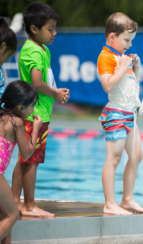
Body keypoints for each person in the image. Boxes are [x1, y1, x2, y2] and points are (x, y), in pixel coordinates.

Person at [12, 2, 69, 217]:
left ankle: (15, 201)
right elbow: (36, 82)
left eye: (55, 28)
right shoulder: (34, 52)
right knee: (32, 160)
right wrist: (55, 93)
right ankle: (29, 206)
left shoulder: (39, 49)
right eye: (50, 29)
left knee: (24, 158)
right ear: (34, 29)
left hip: (35, 111)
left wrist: (54, 92)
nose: (54, 33)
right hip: (35, 114)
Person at [97, 12, 143, 215]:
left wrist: (134, 67)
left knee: (136, 156)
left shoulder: (120, 57)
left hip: (129, 115)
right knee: (114, 158)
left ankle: (127, 199)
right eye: (127, 40)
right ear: (112, 37)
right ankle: (110, 203)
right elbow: (108, 85)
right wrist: (123, 66)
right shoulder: (106, 57)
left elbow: (132, 85)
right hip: (116, 114)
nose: (130, 44)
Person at [0, 81, 43, 244]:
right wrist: (36, 130)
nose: (33, 111)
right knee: (13, 214)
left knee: (4, 212)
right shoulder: (16, 121)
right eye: (32, 106)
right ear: (20, 107)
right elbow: (26, 152)